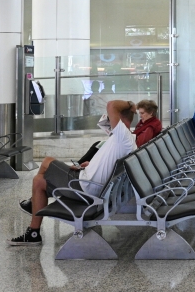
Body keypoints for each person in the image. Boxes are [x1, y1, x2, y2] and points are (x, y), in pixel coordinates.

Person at [10, 100, 138, 247]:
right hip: (90, 183)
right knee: (39, 181)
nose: (109, 118)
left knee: (47, 161)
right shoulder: (126, 139)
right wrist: (90, 165)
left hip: (86, 187)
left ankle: (32, 203)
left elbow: (111, 104)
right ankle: (33, 233)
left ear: (120, 118)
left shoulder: (123, 136)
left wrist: (130, 105)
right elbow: (110, 164)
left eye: (112, 116)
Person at [76, 99, 164, 164]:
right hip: (127, 145)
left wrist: (125, 135)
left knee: (98, 146)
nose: (140, 116)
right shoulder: (145, 123)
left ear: (151, 113)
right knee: (98, 144)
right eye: (139, 113)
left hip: (128, 151)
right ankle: (82, 164)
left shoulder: (150, 128)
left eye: (142, 113)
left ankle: (81, 164)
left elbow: (138, 145)